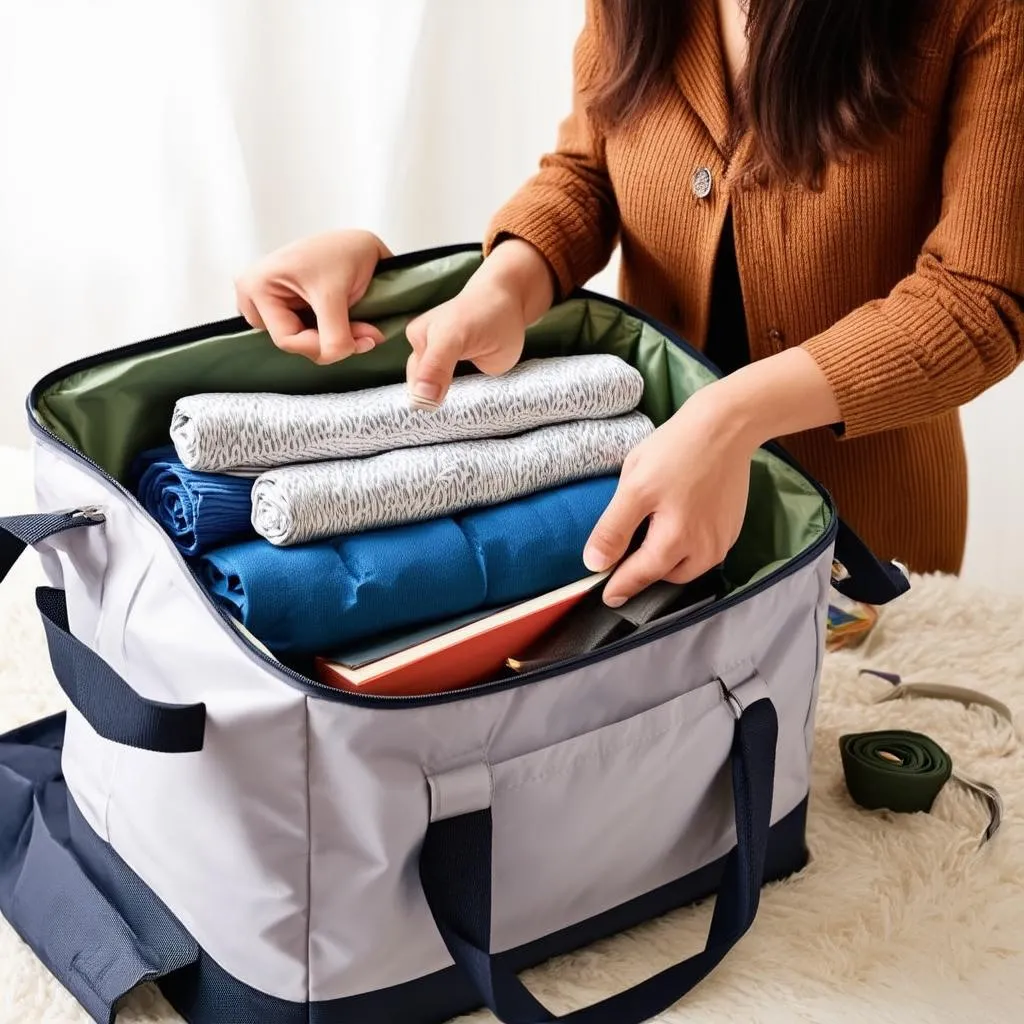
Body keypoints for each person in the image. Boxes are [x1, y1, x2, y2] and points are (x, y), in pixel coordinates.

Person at [235, 0, 1023, 608]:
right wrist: (507, 282)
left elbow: (981, 297)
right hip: (637, 495)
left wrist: (728, 418)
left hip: (865, 531)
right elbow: (589, 167)